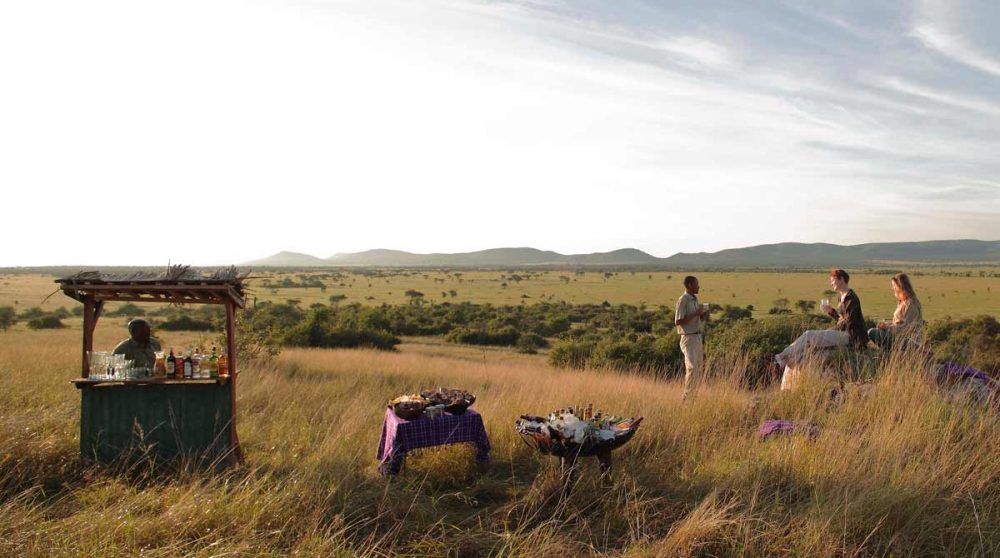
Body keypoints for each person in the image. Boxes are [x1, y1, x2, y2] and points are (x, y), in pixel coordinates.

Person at [775, 269, 867, 386]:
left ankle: (779, 357)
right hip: (844, 332)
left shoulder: (851, 298)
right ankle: (783, 364)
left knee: (809, 335)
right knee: (803, 352)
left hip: (851, 336)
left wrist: (832, 329)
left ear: (842, 279)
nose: (831, 283)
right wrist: (831, 312)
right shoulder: (841, 297)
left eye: (833, 280)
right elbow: (842, 320)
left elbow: (849, 322)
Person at [868, 273, 924, 349]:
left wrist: (887, 327)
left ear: (900, 287)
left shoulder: (911, 304)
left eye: (894, 286)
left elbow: (906, 328)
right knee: (877, 331)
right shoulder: (903, 302)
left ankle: (889, 352)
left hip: (910, 341)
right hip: (900, 337)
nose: (892, 288)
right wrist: (886, 324)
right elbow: (898, 323)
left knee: (872, 332)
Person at [675, 275, 709, 398]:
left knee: (698, 368)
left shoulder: (694, 299)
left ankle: (694, 395)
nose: (698, 286)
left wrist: (703, 315)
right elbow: (678, 321)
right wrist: (696, 313)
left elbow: (695, 318)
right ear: (689, 285)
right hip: (688, 338)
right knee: (692, 368)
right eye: (696, 284)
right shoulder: (683, 300)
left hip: (697, 337)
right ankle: (687, 397)